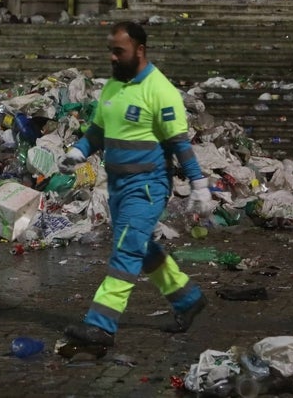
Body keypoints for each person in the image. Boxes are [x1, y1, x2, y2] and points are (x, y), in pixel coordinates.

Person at [59, 21, 213, 347]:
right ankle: (188, 299)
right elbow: (98, 131)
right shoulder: (113, 88)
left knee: (126, 249)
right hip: (117, 185)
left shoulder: (161, 91)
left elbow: (179, 143)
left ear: (140, 50)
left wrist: (199, 184)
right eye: (111, 51)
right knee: (140, 247)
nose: (113, 58)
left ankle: (100, 327)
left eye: (120, 51)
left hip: (146, 186)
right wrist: (79, 150)